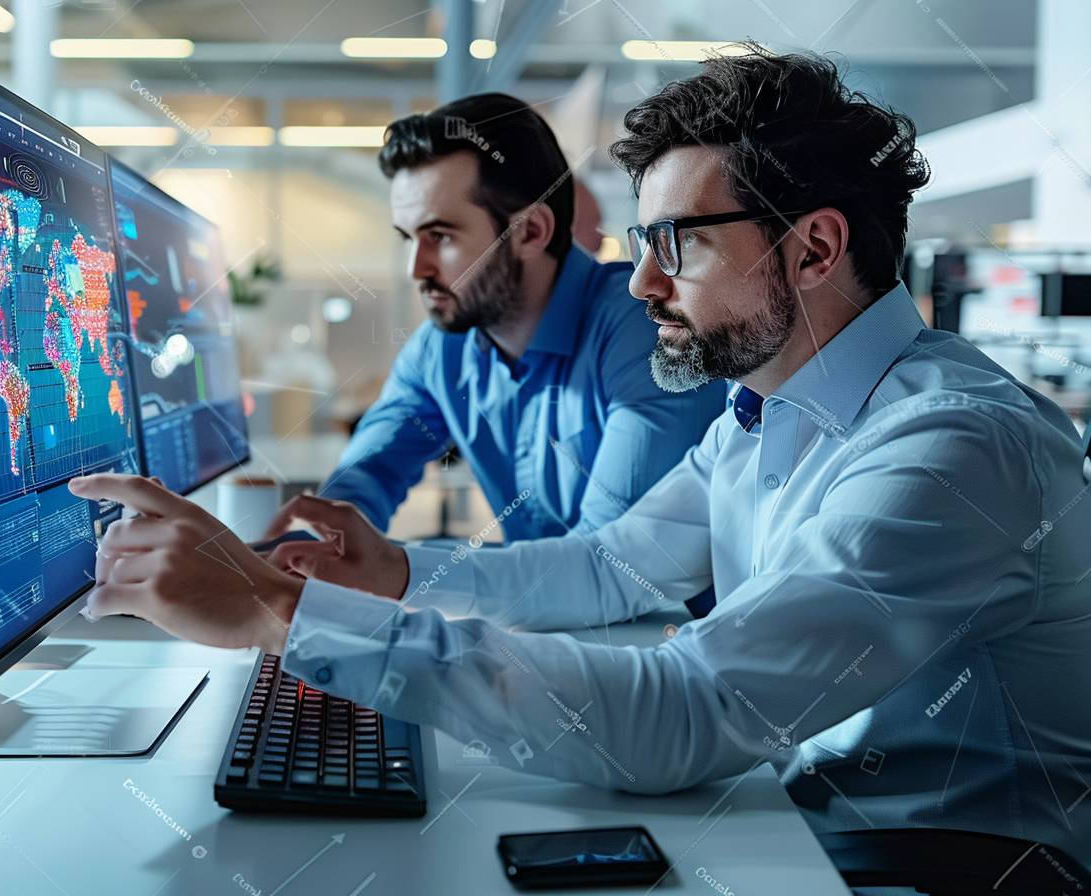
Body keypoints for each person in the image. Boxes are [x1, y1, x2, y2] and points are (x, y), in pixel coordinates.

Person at [68, 47, 1091, 864]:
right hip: (804, 816)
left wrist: (277, 612)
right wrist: (391, 572)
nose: (641, 283)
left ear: (815, 250)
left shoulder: (948, 445)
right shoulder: (762, 411)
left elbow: (696, 708)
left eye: (675, 243)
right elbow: (613, 563)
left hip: (932, 860)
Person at [266, 93, 725, 542]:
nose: (416, 269)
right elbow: (367, 476)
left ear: (531, 231)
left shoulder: (645, 328)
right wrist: (303, 553)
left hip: (668, 618)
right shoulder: (442, 346)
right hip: (537, 612)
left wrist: (404, 573)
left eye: (440, 236)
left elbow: (611, 565)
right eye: (408, 238)